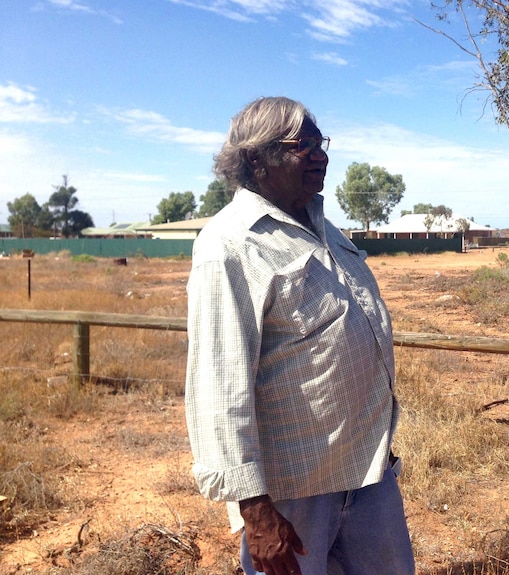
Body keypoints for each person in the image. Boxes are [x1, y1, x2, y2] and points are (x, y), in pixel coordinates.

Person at [184, 97, 415, 575]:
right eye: (302, 145)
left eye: (320, 143)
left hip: (368, 471)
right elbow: (218, 385)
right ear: (256, 160)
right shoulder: (228, 243)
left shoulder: (324, 227)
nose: (320, 155)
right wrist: (255, 510)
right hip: (292, 492)